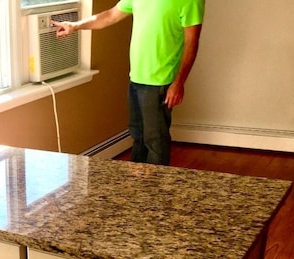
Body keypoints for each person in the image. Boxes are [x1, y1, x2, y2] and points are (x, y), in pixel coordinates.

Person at [52, 0, 205, 165]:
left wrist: (178, 83)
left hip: (160, 82)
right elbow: (110, 15)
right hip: (136, 78)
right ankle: (135, 185)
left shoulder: (191, 1)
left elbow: (192, 42)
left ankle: (156, 187)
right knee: (138, 135)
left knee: (155, 141)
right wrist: (75, 25)